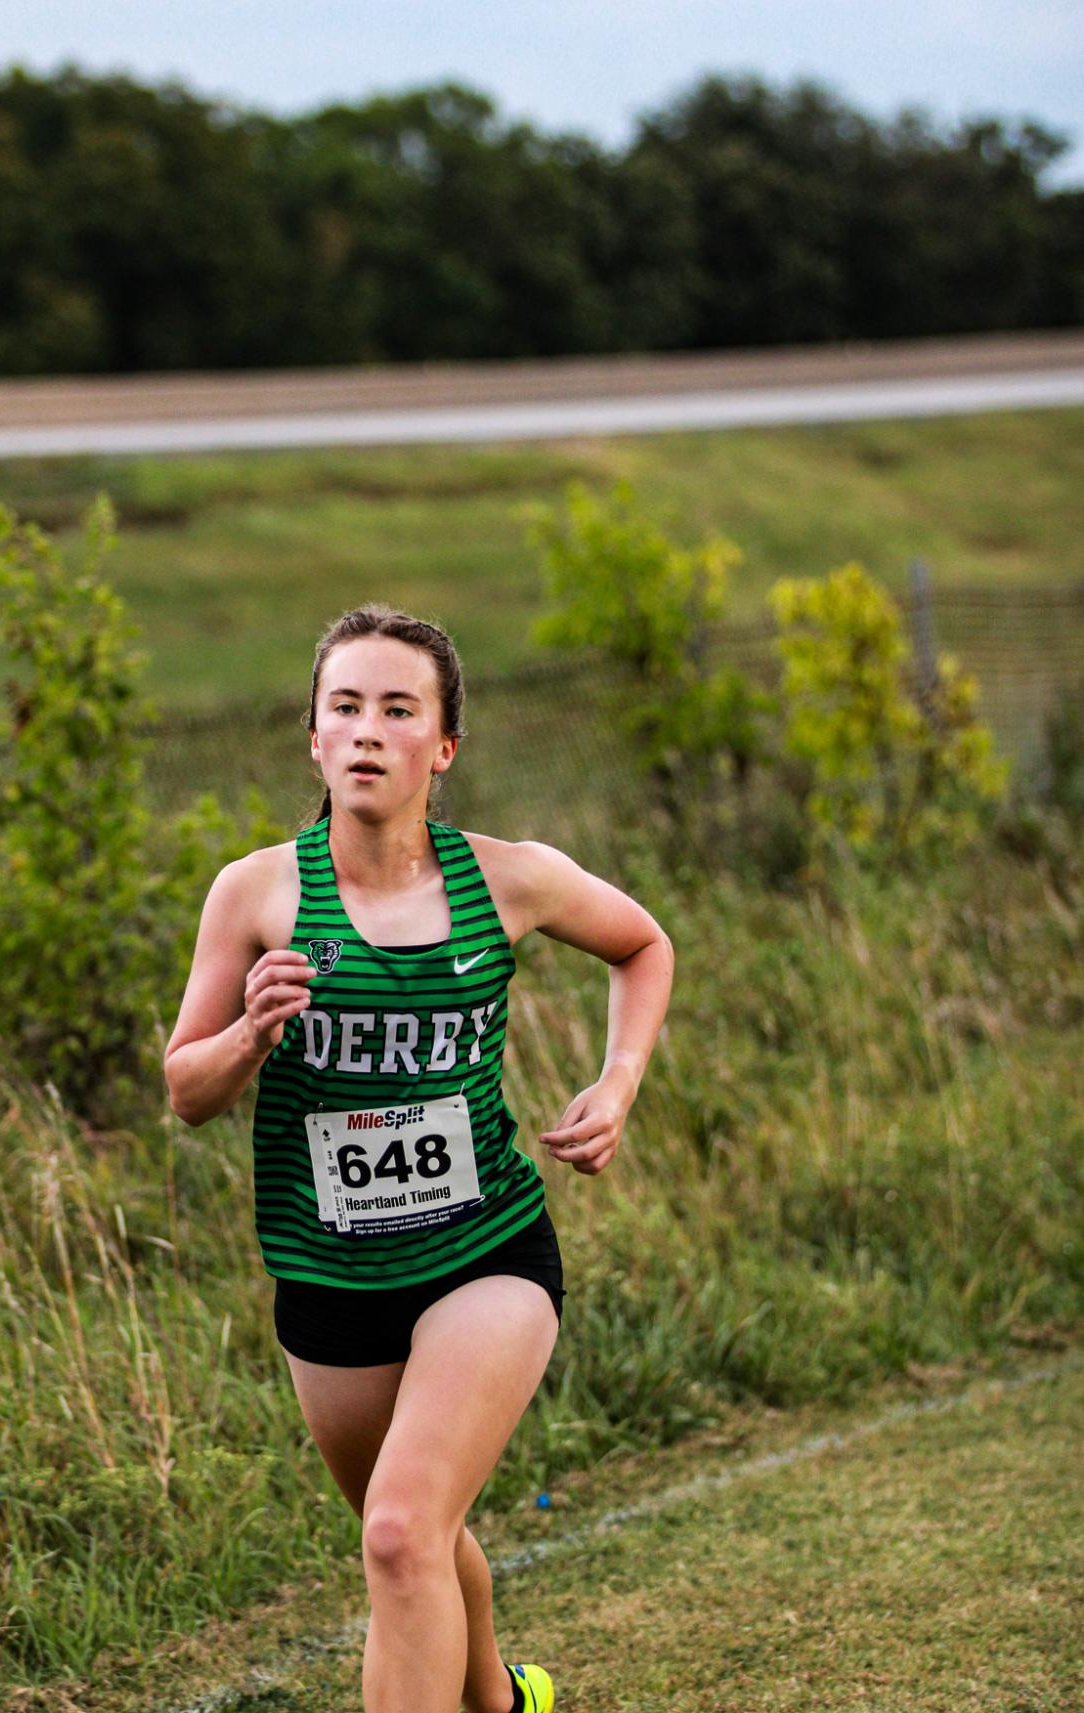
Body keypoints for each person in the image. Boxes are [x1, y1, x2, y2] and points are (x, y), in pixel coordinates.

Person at [165, 603, 674, 1713]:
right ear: (311, 735)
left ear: (441, 747)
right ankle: (501, 1700)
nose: (366, 730)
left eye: (398, 709)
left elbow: (642, 945)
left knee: (398, 1534)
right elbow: (183, 1090)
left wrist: (617, 1080)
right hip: (328, 1281)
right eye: (343, 706)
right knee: (418, 1537)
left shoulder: (509, 880)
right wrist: (250, 1034)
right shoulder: (255, 894)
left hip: (482, 1251)